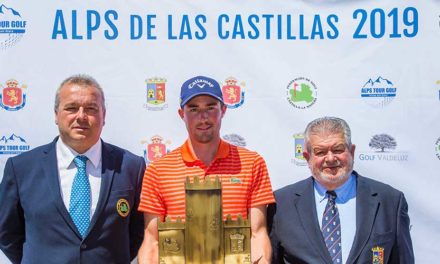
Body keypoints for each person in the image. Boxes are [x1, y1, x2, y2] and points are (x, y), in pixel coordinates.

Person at [0, 74, 145, 264]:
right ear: (56, 114)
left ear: (104, 116)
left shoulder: (131, 166)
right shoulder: (21, 168)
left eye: (91, 109)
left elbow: (138, 233)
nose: (81, 116)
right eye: (71, 108)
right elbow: (6, 232)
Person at [137, 76, 275, 264]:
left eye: (210, 107)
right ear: (181, 114)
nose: (203, 117)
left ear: (223, 110)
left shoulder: (252, 163)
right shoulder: (158, 170)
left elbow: (257, 233)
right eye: (193, 109)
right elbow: (152, 240)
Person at [268, 116, 414, 264]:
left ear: (352, 151)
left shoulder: (390, 201)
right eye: (320, 152)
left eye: (338, 149)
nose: (330, 158)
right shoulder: (281, 203)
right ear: (307, 157)